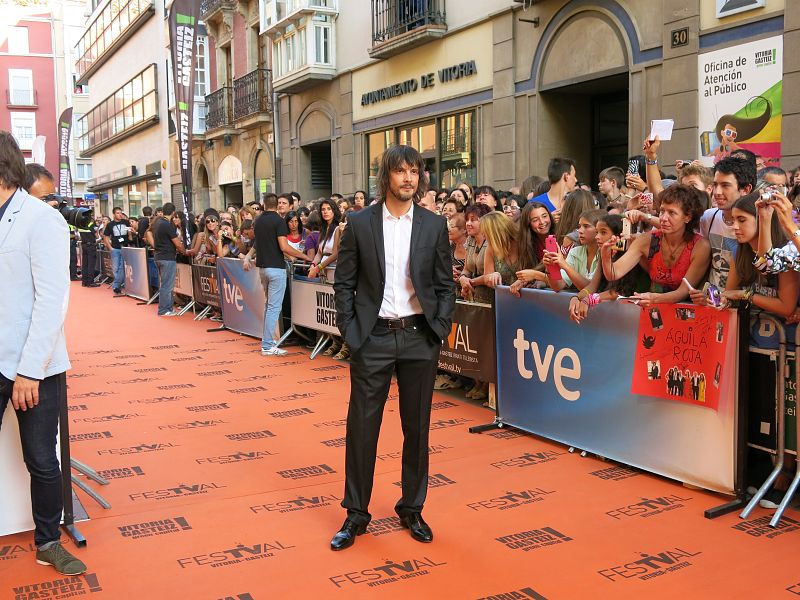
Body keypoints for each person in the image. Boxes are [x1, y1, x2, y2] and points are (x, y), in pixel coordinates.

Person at [331, 144, 455, 551]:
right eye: (401, 171)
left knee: (417, 429)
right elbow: (344, 283)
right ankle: (356, 513)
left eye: (414, 171)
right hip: (374, 338)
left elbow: (445, 284)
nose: (408, 178)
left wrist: (438, 327)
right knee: (362, 427)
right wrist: (352, 332)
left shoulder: (434, 225)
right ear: (386, 176)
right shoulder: (359, 223)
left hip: (420, 337)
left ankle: (412, 508)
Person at [0, 130, 87, 575]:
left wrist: (30, 371)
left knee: (41, 459)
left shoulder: (41, 219)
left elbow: (51, 301)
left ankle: (49, 540)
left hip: (33, 365)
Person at [601, 185, 710, 305]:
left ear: (688, 217)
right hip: (652, 308)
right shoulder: (646, 240)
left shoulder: (700, 247)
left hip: (687, 312)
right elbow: (614, 273)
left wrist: (654, 298)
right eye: (662, 211)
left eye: (672, 213)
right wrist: (605, 255)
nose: (663, 218)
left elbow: (683, 292)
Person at [243, 194, 307, 356]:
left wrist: (248, 256)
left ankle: (267, 342)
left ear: (264, 205)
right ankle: (267, 345)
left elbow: (258, 243)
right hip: (276, 269)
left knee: (269, 306)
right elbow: (283, 246)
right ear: (276, 205)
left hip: (263, 269)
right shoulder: (279, 221)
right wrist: (304, 256)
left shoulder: (258, 221)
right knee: (273, 307)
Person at [151, 203, 185, 316]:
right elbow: (177, 243)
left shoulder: (158, 223)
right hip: (167, 258)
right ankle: (164, 309)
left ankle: (168, 308)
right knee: (167, 285)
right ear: (173, 212)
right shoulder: (167, 225)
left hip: (159, 256)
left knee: (165, 284)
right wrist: (184, 251)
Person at [528, 158, 578, 222]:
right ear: (566, 176)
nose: (576, 180)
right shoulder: (534, 203)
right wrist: (548, 221)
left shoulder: (575, 203)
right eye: (574, 175)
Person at [103, 206, 132, 294]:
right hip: (115, 248)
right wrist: (110, 248)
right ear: (114, 214)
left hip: (125, 248)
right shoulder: (110, 224)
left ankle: (116, 285)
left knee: (122, 267)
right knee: (115, 268)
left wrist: (130, 237)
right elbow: (105, 237)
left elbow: (129, 233)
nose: (120, 214)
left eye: (121, 213)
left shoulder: (126, 222)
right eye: (118, 213)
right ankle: (118, 284)